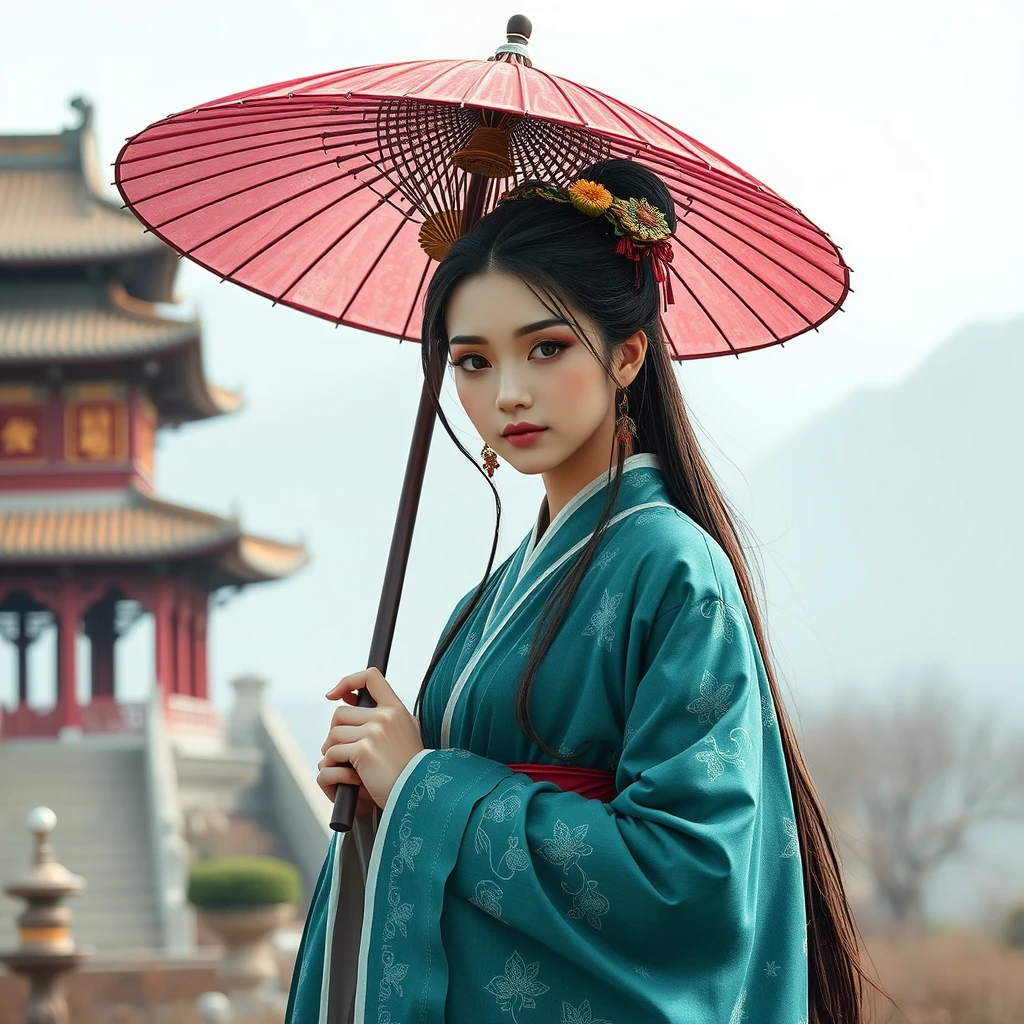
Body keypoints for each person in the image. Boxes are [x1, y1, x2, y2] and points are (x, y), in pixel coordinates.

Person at [286, 160, 873, 1024]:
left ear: (627, 352)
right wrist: (376, 781)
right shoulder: (481, 605)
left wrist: (419, 782)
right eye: (473, 361)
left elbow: (687, 883)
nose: (507, 393)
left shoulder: (675, 571)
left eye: (546, 347)